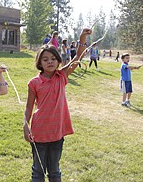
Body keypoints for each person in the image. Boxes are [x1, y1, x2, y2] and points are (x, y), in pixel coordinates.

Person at [23, 28, 92, 182]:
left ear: (58, 60)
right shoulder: (34, 83)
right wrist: (25, 125)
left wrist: (82, 38)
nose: (50, 62)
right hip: (39, 132)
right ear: (39, 62)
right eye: (45, 59)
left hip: (57, 133)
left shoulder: (61, 76)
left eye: (53, 58)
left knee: (54, 171)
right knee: (38, 171)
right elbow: (29, 107)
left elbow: (77, 59)